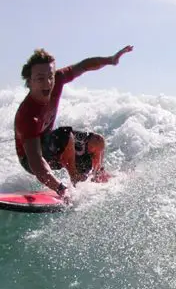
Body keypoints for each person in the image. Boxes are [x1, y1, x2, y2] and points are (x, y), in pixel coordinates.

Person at [14, 45, 134, 202]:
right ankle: (74, 181)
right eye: (40, 79)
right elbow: (35, 161)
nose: (48, 83)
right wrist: (59, 188)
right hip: (31, 159)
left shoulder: (58, 79)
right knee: (65, 135)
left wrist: (110, 60)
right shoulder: (27, 116)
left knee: (97, 142)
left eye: (50, 76)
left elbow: (83, 66)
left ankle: (96, 176)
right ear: (29, 82)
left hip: (51, 145)